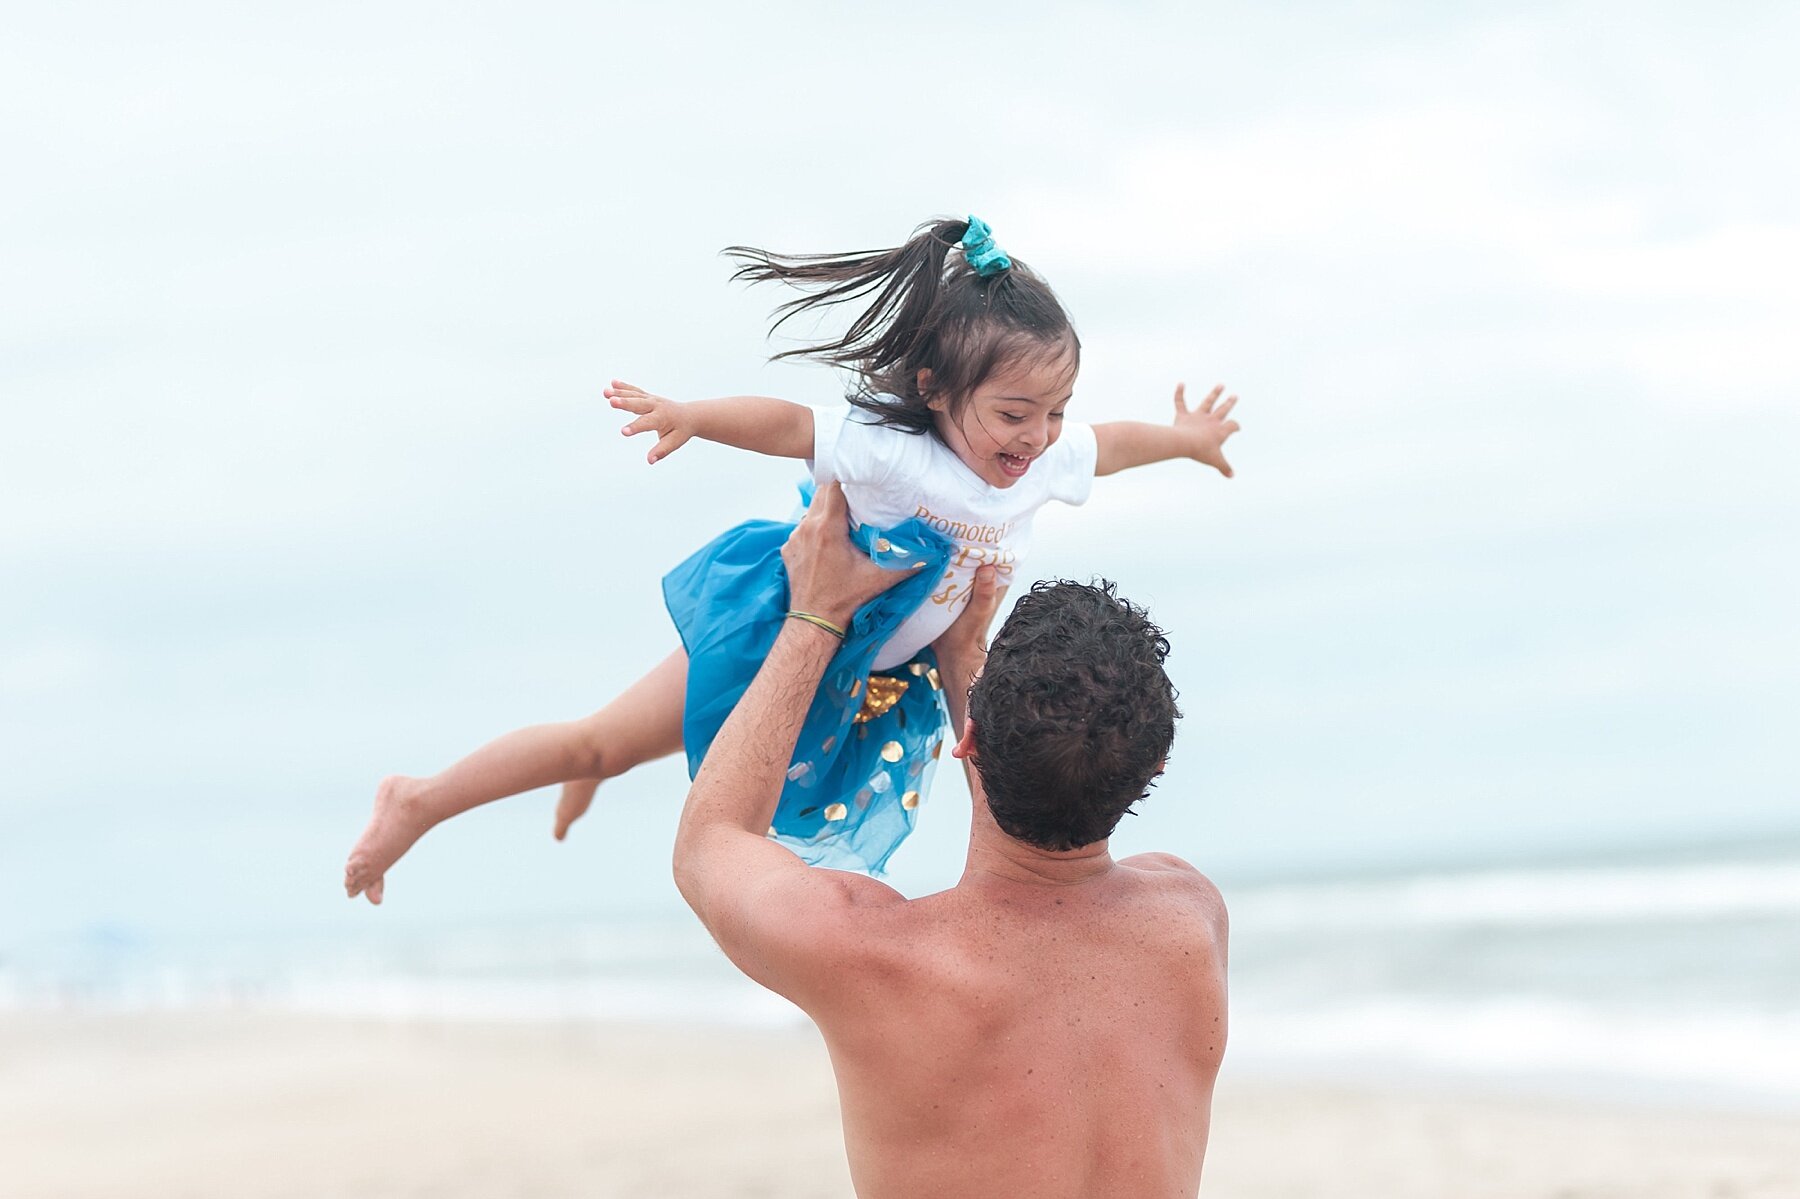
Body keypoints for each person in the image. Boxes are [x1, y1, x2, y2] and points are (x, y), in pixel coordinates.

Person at [346, 215, 1241, 903]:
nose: (1038, 437)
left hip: (890, 676)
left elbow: (1110, 443)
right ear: (935, 391)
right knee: (601, 739)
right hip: (783, 630)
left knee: (985, 758)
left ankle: (1013, 919)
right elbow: (790, 425)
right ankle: (418, 799)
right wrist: (692, 415)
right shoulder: (898, 456)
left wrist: (1187, 438)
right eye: (1014, 414)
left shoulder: (1044, 455)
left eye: (1054, 410)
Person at [676, 481, 1229, 1198]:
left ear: (965, 737)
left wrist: (817, 613)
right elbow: (1041, 809)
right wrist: (961, 656)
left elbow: (708, 839)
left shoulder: (873, 953)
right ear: (1154, 765)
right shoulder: (1192, 919)